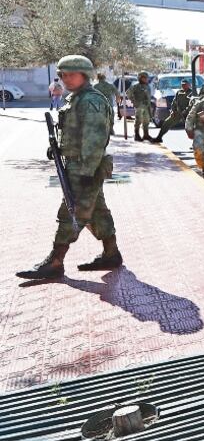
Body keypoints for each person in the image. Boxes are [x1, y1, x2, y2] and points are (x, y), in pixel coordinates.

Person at [16, 55, 121, 280]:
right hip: (80, 164)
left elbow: (94, 140)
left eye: (71, 74)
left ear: (85, 75)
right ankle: (111, 254)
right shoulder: (75, 98)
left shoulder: (90, 101)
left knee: (71, 213)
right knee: (97, 212)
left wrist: (86, 172)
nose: (66, 79)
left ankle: (55, 262)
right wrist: (58, 149)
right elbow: (75, 133)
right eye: (63, 75)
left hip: (86, 166)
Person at [151, 78, 195, 143]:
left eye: (185, 85)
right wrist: (173, 111)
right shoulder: (179, 92)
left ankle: (196, 144)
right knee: (166, 123)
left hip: (188, 113)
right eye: (182, 85)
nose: (184, 86)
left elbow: (192, 104)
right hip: (178, 113)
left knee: (192, 128)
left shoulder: (192, 93)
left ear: (189, 85)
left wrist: (185, 112)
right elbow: (174, 102)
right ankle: (159, 137)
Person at [125, 71, 153, 141]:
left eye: (146, 78)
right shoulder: (136, 86)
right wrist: (134, 102)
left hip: (146, 106)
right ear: (140, 78)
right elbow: (128, 93)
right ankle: (137, 135)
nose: (146, 79)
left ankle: (146, 135)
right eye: (144, 78)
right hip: (139, 106)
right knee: (138, 121)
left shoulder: (148, 86)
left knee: (146, 121)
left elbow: (149, 97)